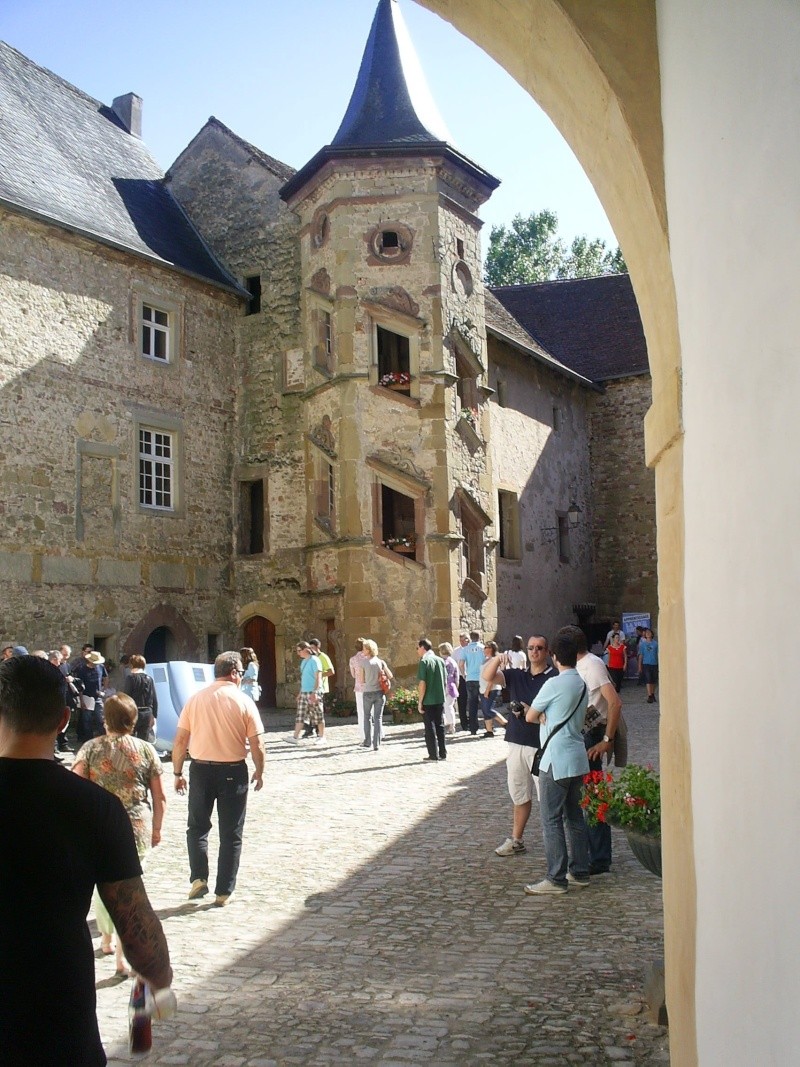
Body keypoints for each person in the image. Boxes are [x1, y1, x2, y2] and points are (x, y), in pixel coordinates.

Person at [0, 655, 173, 1065]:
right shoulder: (95, 808)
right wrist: (158, 980)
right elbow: (135, 922)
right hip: (55, 1011)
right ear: (63, 719)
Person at [72, 693, 166, 975]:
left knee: (101, 885)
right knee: (128, 892)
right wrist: (158, 828)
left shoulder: (89, 749)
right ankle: (122, 958)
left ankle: (106, 937)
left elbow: (75, 788)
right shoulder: (146, 749)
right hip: (135, 825)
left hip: (97, 825)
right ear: (134, 719)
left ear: (105, 719)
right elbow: (160, 796)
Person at [172, 650, 265, 906]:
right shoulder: (243, 701)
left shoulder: (195, 699)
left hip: (201, 769)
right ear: (234, 672)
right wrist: (260, 770)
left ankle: (198, 878)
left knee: (197, 827)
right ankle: (223, 890)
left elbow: (180, 740)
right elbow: (257, 744)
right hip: (233, 771)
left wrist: (177, 772)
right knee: (231, 832)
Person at [523, 630, 590, 894]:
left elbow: (530, 715)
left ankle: (556, 878)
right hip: (577, 756)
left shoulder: (553, 684)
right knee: (575, 817)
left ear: (554, 657)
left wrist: (541, 717)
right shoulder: (581, 683)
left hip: (555, 759)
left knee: (551, 819)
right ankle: (580, 871)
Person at [559, 624, 623, 876]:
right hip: (580, 733)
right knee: (582, 797)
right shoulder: (581, 665)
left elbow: (614, 701)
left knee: (593, 797)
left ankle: (599, 858)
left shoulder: (592, 665)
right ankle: (588, 853)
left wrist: (607, 738)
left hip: (592, 734)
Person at [494, 635, 556, 857]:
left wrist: (532, 711)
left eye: (539, 648)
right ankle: (516, 840)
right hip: (516, 742)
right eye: (531, 648)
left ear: (547, 651)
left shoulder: (553, 678)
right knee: (519, 794)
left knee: (548, 798)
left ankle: (556, 845)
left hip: (541, 745)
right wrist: (496, 659)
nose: (534, 652)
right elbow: (488, 677)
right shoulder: (517, 676)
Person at [287, 641, 325, 745]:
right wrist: (300, 692)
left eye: (299, 650)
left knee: (318, 715)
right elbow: (304, 679)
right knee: (300, 715)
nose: (298, 653)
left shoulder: (315, 660)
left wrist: (315, 692)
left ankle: (322, 736)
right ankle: (295, 737)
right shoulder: (304, 662)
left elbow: (318, 677)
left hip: (314, 692)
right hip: (304, 692)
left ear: (306, 650)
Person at [357, 639, 393, 750]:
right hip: (379, 693)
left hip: (368, 692)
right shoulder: (381, 662)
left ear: (368, 650)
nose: (363, 650)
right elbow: (390, 675)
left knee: (367, 717)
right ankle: (376, 743)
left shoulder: (363, 663)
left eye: (364, 648)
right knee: (378, 718)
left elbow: (362, 680)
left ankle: (367, 741)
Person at [416, 638, 447, 762]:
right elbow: (445, 679)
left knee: (430, 727)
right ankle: (443, 753)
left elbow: (422, 683)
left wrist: (420, 701)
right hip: (440, 697)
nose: (417, 651)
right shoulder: (440, 660)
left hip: (428, 699)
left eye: (417, 648)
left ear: (423, 647)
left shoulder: (424, 661)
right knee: (440, 725)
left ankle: (433, 755)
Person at [72, 649, 106, 744]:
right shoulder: (82, 670)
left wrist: (103, 690)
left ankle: (103, 740)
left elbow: (105, 678)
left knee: (101, 719)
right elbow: (80, 686)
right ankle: (89, 741)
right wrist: (81, 701)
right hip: (87, 697)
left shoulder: (101, 667)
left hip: (98, 697)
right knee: (87, 721)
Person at [123, 653, 159, 741]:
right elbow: (154, 699)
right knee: (143, 742)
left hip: (133, 713)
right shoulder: (149, 679)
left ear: (132, 665)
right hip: (147, 713)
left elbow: (126, 697)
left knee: (130, 741)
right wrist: (154, 716)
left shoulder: (130, 678)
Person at [479, 641, 508, 737]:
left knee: (488, 710)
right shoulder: (485, 660)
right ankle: (489, 730)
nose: (484, 649)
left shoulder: (494, 660)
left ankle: (505, 723)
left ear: (491, 648)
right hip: (483, 688)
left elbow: (492, 676)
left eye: (486, 647)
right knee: (485, 710)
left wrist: (488, 689)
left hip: (491, 688)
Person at [306, 637, 334, 736]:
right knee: (309, 708)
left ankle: (318, 730)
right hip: (310, 686)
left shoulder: (323, 657)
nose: (311, 650)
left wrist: (319, 675)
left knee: (317, 709)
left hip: (320, 687)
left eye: (313, 647)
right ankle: (309, 729)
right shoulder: (310, 658)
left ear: (318, 647)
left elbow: (331, 671)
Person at [459, 630, 484, 735]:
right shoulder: (483, 648)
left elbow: (461, 664)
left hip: (470, 678)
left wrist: (464, 674)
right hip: (482, 678)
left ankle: (473, 728)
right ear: (480, 637)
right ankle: (489, 726)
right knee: (485, 702)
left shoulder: (465, 649)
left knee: (472, 703)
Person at [349, 637, 370, 744]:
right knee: (373, 712)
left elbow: (353, 675)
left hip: (359, 688)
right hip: (370, 687)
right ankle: (378, 732)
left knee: (362, 713)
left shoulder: (353, 660)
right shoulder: (368, 658)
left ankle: (364, 735)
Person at [438, 642, 460, 735]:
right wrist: (456, 687)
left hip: (444, 686)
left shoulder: (442, 662)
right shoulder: (453, 661)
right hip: (452, 686)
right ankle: (452, 724)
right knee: (450, 706)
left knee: (446, 706)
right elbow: (457, 677)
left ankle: (450, 725)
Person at [452, 632, 470, 731]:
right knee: (462, 701)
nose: (463, 642)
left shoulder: (471, 649)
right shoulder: (456, 651)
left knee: (472, 700)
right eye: (461, 640)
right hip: (461, 678)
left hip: (471, 677)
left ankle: (472, 721)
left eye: (465, 639)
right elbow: (453, 665)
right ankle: (464, 723)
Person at [639, 628, 659, 702]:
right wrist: (639, 665)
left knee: (653, 680)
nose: (647, 634)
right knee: (648, 679)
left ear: (652, 634)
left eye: (649, 633)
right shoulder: (643, 644)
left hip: (654, 663)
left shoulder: (655, 644)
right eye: (646, 633)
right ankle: (649, 695)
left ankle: (653, 693)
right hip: (646, 663)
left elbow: (658, 653)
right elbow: (641, 655)